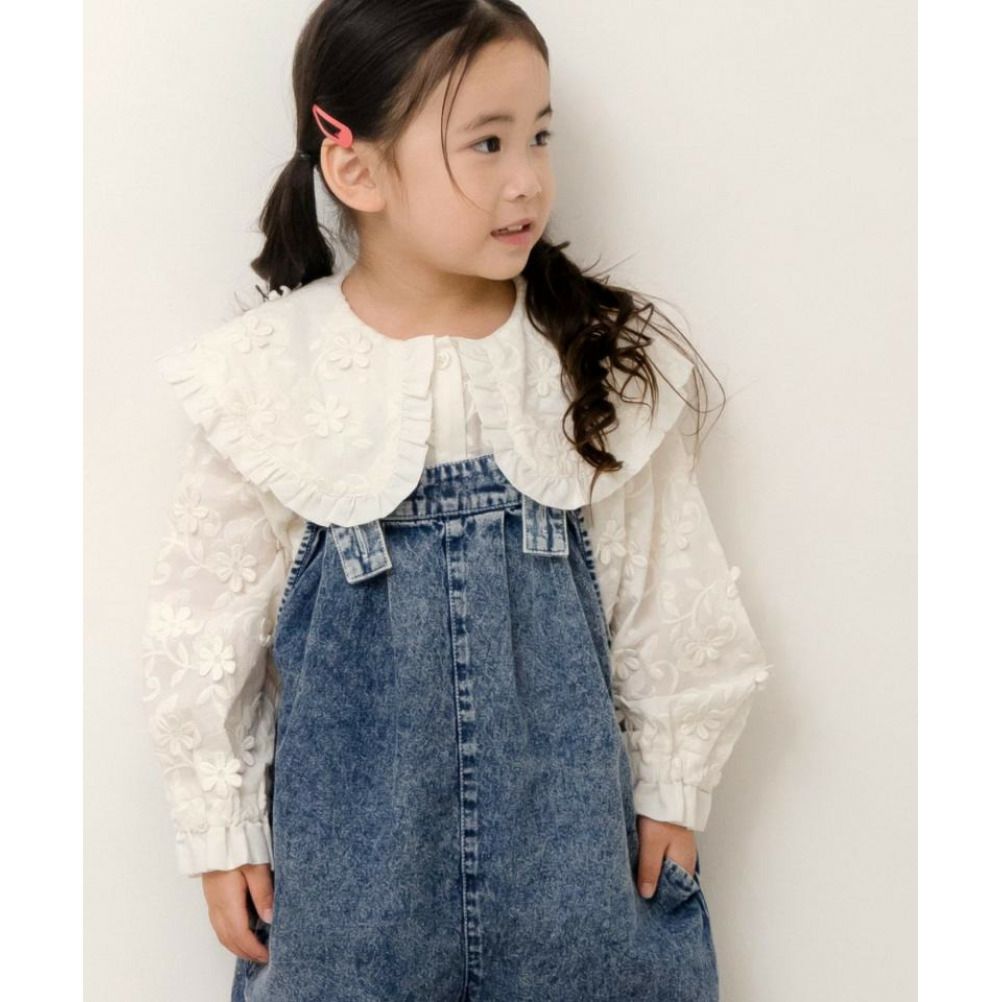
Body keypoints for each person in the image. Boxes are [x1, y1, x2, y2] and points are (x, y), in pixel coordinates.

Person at [139, 2, 773, 999]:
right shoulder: (272, 380)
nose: (527, 179)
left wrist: (675, 785)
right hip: (350, 885)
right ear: (356, 169)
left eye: (539, 136)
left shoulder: (583, 365)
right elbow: (203, 630)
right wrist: (222, 831)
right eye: (486, 143)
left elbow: (668, 594)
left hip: (572, 868)